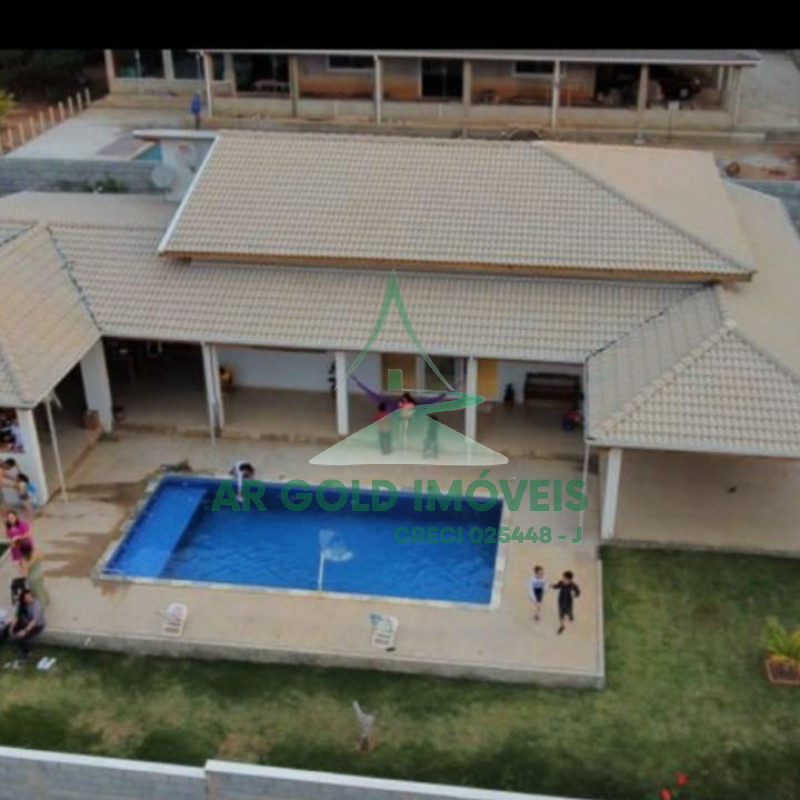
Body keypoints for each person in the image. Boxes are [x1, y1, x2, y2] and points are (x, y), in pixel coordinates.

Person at [0, 589, 45, 660]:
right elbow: (17, 616)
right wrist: (11, 627)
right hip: (24, 622)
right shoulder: (21, 604)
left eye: (30, 597)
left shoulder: (36, 605)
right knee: (5, 629)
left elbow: (34, 621)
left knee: (20, 637)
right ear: (23, 599)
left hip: (36, 625)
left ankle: (26, 653)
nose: (30, 599)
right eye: (27, 598)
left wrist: (24, 631)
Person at [18, 539, 49, 609]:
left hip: (32, 578)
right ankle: (47, 600)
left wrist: (21, 567)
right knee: (41, 588)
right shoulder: (36, 552)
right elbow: (43, 557)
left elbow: (24, 573)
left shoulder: (24, 559)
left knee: (36, 593)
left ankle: (41, 607)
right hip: (40, 574)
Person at [552, 571, 581, 635]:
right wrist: (553, 586)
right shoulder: (561, 582)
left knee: (569, 612)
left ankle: (570, 616)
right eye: (563, 578)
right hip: (561, 601)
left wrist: (575, 595)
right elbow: (557, 586)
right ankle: (562, 626)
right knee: (561, 614)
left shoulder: (573, 585)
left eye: (564, 579)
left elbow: (578, 592)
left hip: (569, 602)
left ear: (570, 580)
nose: (563, 579)